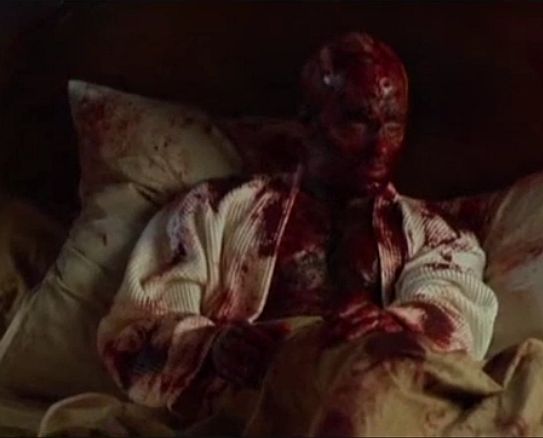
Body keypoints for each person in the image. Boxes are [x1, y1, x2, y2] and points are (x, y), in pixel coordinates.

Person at [97, 32, 498, 418]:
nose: (379, 147)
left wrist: (398, 326)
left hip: (379, 407)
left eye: (393, 125)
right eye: (357, 122)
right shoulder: (212, 211)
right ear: (308, 121)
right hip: (252, 413)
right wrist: (210, 348)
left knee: (528, 371)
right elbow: (135, 331)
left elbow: (458, 314)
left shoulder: (436, 233)